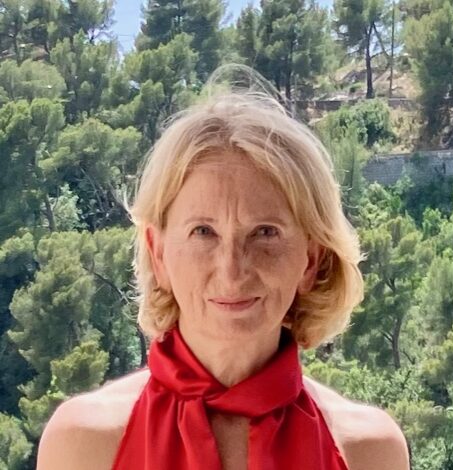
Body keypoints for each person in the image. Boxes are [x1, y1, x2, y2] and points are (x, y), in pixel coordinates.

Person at [37, 66, 410, 470]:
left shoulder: (369, 451)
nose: (232, 270)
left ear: (312, 259)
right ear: (158, 253)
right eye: (203, 232)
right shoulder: (82, 444)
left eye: (265, 233)